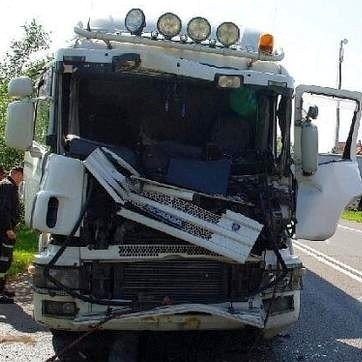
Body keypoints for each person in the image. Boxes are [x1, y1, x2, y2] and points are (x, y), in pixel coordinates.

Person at [0, 166, 23, 303]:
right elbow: (3, 209)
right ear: (15, 174)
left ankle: (2, 289)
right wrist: (8, 228)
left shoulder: (8, 186)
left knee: (5, 260)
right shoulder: (8, 186)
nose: (23, 178)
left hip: (4, 229)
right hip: (3, 231)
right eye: (21, 175)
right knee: (2, 260)